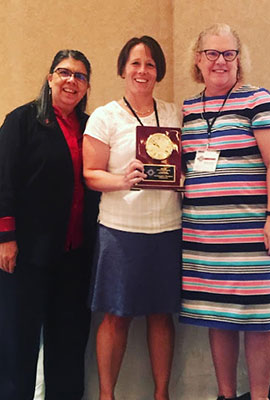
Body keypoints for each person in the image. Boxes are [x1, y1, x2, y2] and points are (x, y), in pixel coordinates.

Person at [180, 23, 270, 400]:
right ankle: (226, 395)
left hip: (254, 236)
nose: (220, 61)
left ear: (239, 61)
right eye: (212, 53)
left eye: (229, 54)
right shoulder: (190, 108)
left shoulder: (258, 100)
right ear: (198, 59)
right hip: (204, 239)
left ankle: (259, 396)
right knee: (217, 317)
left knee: (259, 321)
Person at [83, 35, 181, 400]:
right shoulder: (106, 117)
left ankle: (161, 395)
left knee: (161, 314)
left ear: (159, 72)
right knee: (115, 316)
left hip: (167, 230)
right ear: (123, 69)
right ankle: (107, 395)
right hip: (120, 232)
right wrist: (122, 179)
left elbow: (182, 166)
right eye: (136, 63)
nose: (143, 71)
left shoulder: (174, 114)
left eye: (151, 64)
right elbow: (91, 174)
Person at [0, 49, 100, 400]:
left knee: (69, 344)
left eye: (80, 76)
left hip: (75, 256)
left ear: (87, 86)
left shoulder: (91, 127)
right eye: (64, 72)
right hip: (27, 255)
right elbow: (3, 181)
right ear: (50, 78)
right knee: (18, 344)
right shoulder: (22, 121)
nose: (71, 80)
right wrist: (5, 238)